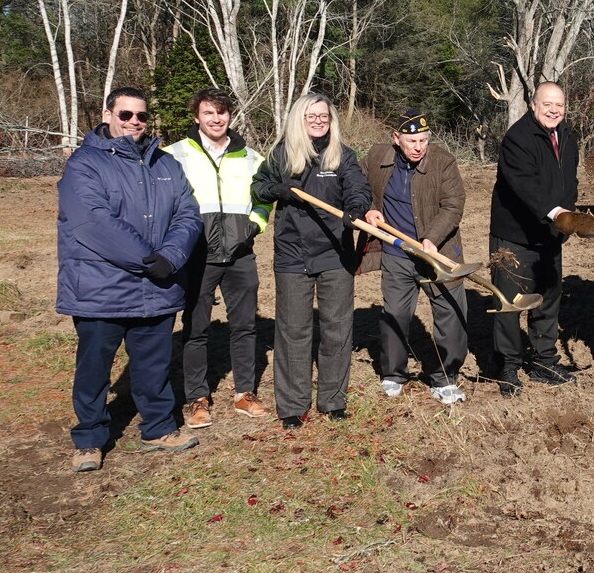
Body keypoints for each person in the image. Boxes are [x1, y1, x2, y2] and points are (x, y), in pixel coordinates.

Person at [58, 87, 202, 471]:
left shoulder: (165, 163)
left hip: (158, 286)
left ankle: (157, 428)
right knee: (94, 368)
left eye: (140, 116)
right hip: (100, 287)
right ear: (108, 115)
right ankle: (89, 438)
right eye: (125, 115)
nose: (134, 122)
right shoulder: (85, 164)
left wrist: (169, 258)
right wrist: (146, 259)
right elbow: (92, 221)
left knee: (154, 364)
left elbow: (188, 213)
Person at [252, 92, 374, 429]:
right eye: (311, 116)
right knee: (294, 330)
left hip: (336, 253)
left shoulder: (342, 156)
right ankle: (293, 405)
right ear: (299, 120)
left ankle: (333, 400)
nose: (318, 121)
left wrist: (356, 209)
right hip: (292, 254)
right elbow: (258, 186)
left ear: (331, 120)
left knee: (337, 328)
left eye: (324, 116)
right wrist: (279, 190)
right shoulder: (282, 154)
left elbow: (358, 189)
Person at [165, 88, 272, 428]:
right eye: (209, 113)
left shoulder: (251, 157)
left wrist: (253, 226)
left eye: (222, 113)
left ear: (230, 116)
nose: (216, 119)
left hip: (241, 255)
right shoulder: (174, 155)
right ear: (196, 116)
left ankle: (244, 393)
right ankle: (197, 397)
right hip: (197, 256)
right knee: (196, 329)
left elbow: (264, 198)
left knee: (244, 326)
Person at [361, 109, 469, 405]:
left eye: (424, 140)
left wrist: (430, 238)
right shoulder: (376, 157)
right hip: (396, 253)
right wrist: (368, 207)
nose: (419, 147)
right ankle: (394, 374)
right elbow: (358, 187)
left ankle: (445, 378)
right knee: (395, 313)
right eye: (412, 141)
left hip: (438, 252)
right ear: (396, 139)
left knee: (450, 314)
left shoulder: (443, 162)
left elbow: (453, 205)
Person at [489, 81, 583, 394]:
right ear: (534, 104)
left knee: (546, 300)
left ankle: (544, 362)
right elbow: (524, 186)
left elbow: (569, 181)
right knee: (510, 304)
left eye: (559, 104)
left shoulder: (568, 136)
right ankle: (508, 367)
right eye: (548, 104)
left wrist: (567, 218)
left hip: (551, 232)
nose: (554, 110)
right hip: (515, 237)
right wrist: (556, 213)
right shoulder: (518, 138)